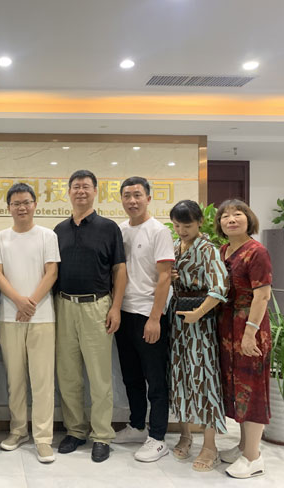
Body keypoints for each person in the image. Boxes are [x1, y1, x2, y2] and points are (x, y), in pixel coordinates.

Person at [53, 170, 127, 463]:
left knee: (99, 377)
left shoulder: (109, 228)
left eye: (86, 186)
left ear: (95, 191)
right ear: (69, 192)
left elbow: (119, 270)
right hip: (64, 306)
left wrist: (115, 307)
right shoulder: (58, 230)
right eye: (75, 187)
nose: (80, 191)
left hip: (97, 306)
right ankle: (75, 431)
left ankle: (101, 435)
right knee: (68, 375)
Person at [0, 183, 61, 464]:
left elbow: (52, 272)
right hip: (9, 316)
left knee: (43, 380)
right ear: (9, 207)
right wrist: (18, 302)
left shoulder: (47, 235)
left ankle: (43, 438)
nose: (22, 207)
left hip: (42, 316)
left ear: (35, 204)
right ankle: (18, 430)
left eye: (26, 202)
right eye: (16, 203)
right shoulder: (0, 238)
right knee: (15, 378)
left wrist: (29, 302)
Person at [113, 176, 173, 463]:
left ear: (149, 198)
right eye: (127, 195)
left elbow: (165, 277)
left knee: (155, 379)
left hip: (148, 314)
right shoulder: (120, 230)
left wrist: (155, 318)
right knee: (131, 376)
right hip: (124, 314)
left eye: (137, 195)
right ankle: (137, 426)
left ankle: (158, 437)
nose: (132, 201)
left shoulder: (159, 231)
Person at [168, 200, 229, 471]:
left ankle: (210, 445)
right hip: (177, 320)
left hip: (200, 323)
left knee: (204, 378)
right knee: (179, 375)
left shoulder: (208, 249)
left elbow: (220, 288)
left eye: (187, 225)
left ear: (200, 223)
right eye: (177, 225)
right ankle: (185, 435)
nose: (182, 231)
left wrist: (199, 313)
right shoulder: (175, 247)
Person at [214, 199, 272, 479]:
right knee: (237, 388)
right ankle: (243, 446)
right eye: (225, 216)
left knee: (252, 389)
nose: (231, 219)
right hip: (227, 328)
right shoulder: (224, 250)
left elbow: (262, 296)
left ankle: (253, 457)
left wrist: (250, 334)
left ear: (249, 219)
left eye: (238, 214)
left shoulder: (257, 251)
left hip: (250, 327)